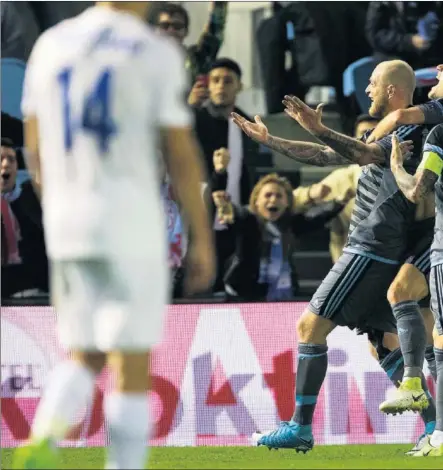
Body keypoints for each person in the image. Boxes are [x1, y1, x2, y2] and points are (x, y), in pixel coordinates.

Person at [13, 2, 215, 469]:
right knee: (132, 362)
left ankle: (45, 433)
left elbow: (34, 145)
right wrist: (200, 236)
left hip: (67, 221)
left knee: (85, 352)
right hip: (128, 218)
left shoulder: (52, 44)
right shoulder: (153, 51)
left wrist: (57, 205)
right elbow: (181, 154)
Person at [232, 60, 439, 454]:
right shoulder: (388, 131)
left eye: (374, 84)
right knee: (382, 345)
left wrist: (319, 127)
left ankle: (300, 427)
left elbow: (359, 154)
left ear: (393, 89)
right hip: (378, 251)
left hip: (371, 248)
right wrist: (272, 141)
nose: (367, 91)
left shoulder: (411, 131)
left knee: (310, 328)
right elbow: (327, 155)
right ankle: (433, 428)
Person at [212, 166, 353, 301]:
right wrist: (226, 205)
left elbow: (318, 217)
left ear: (287, 203)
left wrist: (341, 201)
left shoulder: (291, 224)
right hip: (243, 295)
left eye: (279, 196)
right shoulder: (247, 220)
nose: (273, 200)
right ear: (256, 201)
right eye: (268, 195)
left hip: (284, 293)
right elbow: (235, 214)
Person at [390, 124, 443, 457]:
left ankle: (439, 435)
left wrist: (397, 165)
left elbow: (417, 190)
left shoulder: (440, 135)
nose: (437, 72)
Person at [292, 114, 379, 263]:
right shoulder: (342, 179)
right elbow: (288, 202)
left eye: (375, 133)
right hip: (349, 266)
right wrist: (311, 193)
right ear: (353, 140)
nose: (369, 139)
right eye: (363, 133)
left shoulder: (403, 174)